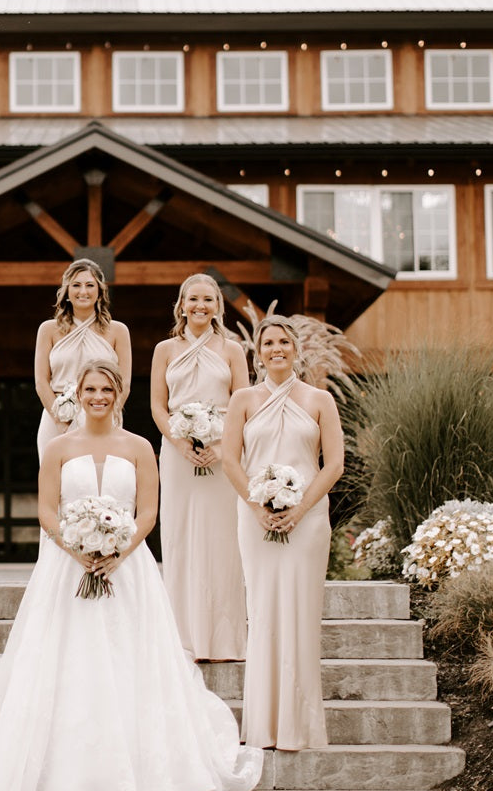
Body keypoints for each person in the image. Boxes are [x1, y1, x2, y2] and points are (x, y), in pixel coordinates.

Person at [0, 360, 264, 791]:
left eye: (106, 389)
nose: (97, 397)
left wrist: (118, 551)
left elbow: (146, 513)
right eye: (90, 389)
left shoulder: (139, 447)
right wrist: (75, 547)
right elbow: (46, 510)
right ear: (77, 395)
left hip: (129, 569)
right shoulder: (59, 447)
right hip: (67, 565)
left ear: (118, 394)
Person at [222, 316, 344, 751]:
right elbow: (231, 460)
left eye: (284, 342)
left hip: (307, 520)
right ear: (258, 351)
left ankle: (300, 726)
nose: (277, 349)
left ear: (296, 349)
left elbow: (334, 465)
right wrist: (258, 508)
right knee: (264, 611)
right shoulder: (242, 399)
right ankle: (264, 727)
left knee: (300, 614)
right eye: (268, 342)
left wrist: (299, 509)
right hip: (255, 520)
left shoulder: (319, 399)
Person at [150, 273, 250, 661]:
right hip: (177, 455)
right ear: (181, 304)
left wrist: (221, 444)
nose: (200, 306)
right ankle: (182, 638)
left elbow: (243, 403)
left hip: (222, 454)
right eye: (193, 299)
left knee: (221, 538)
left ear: (218, 307)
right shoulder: (165, 350)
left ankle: (224, 640)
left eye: (208, 299)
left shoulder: (233, 350)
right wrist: (179, 442)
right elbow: (158, 405)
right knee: (180, 536)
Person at [34, 258, 131, 464]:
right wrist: (60, 419)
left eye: (89, 285)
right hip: (57, 417)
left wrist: (106, 416)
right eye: (76, 285)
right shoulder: (48, 330)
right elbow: (41, 381)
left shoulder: (118, 331)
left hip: (103, 412)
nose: (83, 291)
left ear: (100, 291)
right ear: (67, 291)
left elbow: (125, 383)